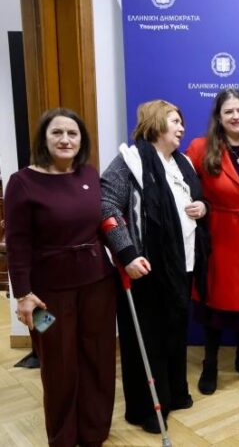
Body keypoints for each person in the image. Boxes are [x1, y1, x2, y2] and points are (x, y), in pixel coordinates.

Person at [6, 108, 116, 447]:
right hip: (45, 294)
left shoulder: (89, 174)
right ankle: (63, 437)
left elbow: (103, 223)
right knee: (57, 364)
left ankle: (94, 432)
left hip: (97, 284)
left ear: (82, 140)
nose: (65, 139)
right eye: (57, 132)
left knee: (97, 357)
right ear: (44, 138)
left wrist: (127, 255)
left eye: (72, 133)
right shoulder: (22, 182)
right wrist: (23, 294)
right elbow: (17, 243)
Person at [101, 100, 209, 433]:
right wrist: (127, 254)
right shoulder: (130, 161)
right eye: (175, 121)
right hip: (144, 268)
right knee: (147, 340)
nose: (182, 128)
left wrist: (202, 207)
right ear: (156, 123)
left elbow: (196, 199)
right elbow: (106, 206)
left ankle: (174, 393)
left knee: (175, 333)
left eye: (181, 122)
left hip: (181, 264)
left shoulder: (183, 162)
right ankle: (147, 408)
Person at [186, 89, 239, 394]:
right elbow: (182, 186)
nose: (236, 116)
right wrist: (201, 205)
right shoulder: (200, 148)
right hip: (218, 236)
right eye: (229, 112)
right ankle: (210, 363)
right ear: (218, 117)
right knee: (215, 302)